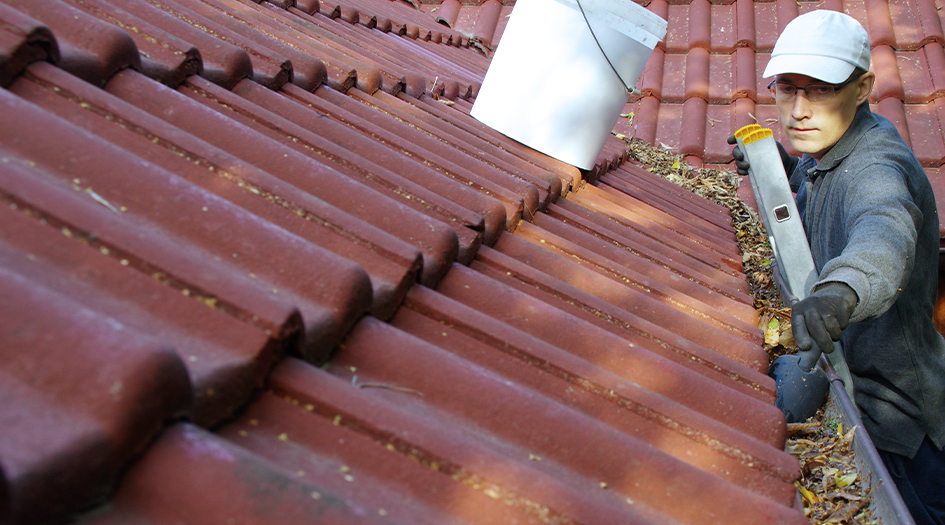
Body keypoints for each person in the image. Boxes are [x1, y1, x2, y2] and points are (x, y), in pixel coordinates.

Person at [728, 10, 945, 524]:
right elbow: (821, 198)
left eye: (820, 90)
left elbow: (882, 231)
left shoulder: (876, 165)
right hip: (857, 391)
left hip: (902, 425)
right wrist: (783, 172)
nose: (799, 110)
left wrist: (839, 292)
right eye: (787, 89)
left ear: (864, 86)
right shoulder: (826, 145)